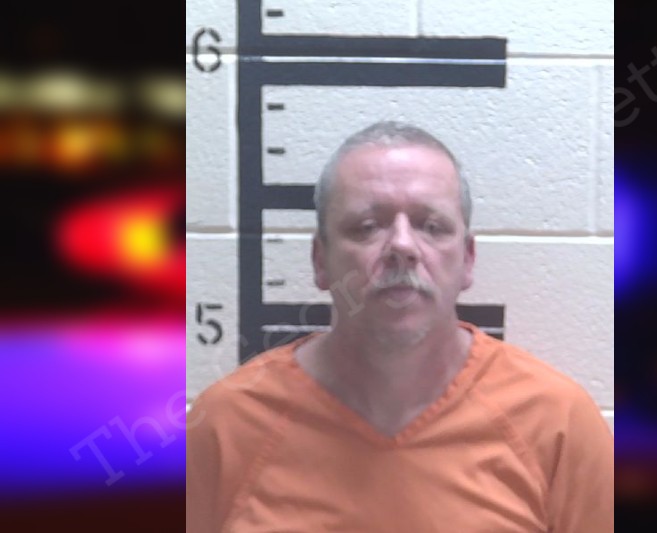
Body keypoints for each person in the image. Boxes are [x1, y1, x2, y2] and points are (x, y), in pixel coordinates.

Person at [186, 121, 613, 532]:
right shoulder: (225, 428)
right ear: (320, 261)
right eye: (367, 227)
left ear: (467, 260)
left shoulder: (557, 425)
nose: (403, 246)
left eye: (432, 226)